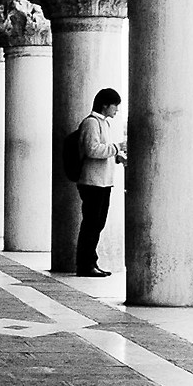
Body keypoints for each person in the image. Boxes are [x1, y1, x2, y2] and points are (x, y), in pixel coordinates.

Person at [75, 87, 125, 277]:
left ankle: (90, 262)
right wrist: (116, 147)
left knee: (97, 224)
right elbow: (92, 150)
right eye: (115, 105)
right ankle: (85, 264)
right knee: (91, 224)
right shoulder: (91, 123)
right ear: (105, 105)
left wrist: (117, 155)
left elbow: (103, 149)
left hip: (102, 182)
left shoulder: (104, 123)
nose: (117, 110)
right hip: (92, 182)